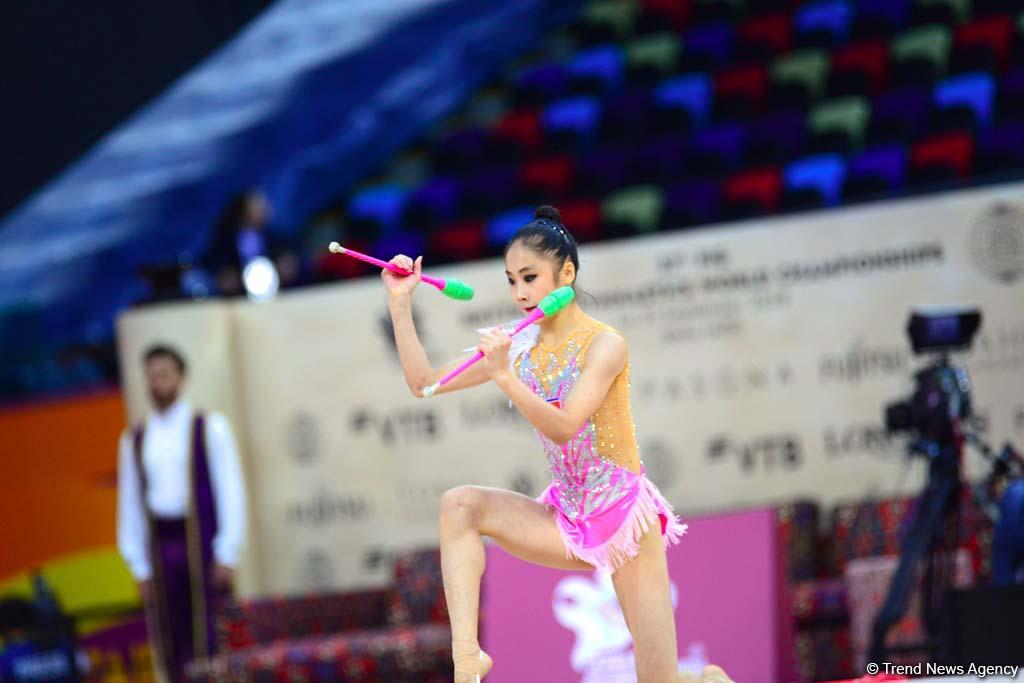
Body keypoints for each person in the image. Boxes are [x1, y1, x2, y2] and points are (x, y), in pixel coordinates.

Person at [382, 206, 732, 683]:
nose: (520, 293)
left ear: (566, 272)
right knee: (459, 505)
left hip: (624, 520)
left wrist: (504, 375)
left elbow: (566, 426)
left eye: (530, 278)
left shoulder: (605, 345)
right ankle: (467, 659)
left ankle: (704, 681)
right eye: (511, 280)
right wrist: (400, 303)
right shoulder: (519, 346)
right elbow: (423, 383)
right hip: (566, 518)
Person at [116, 345, 247, 683]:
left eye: (164, 375)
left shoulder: (208, 427)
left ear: (181, 378)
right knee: (169, 632)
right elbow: (130, 505)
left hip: (200, 539)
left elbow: (230, 490)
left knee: (210, 629)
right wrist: (139, 565)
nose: (157, 383)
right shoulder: (135, 439)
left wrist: (227, 551)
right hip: (162, 544)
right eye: (151, 376)